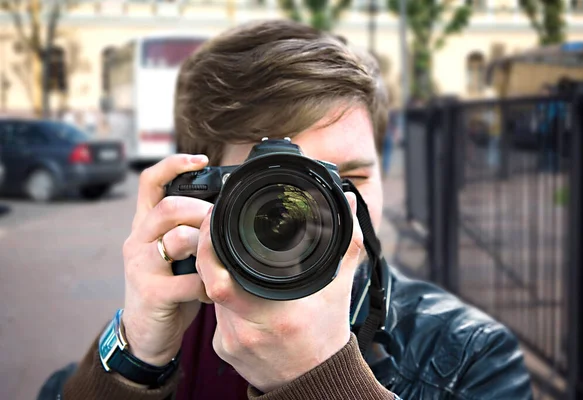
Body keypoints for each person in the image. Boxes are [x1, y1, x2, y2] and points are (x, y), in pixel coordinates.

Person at [41, 20, 533, 399]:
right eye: (277, 187)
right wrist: (136, 356)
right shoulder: (175, 315)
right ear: (198, 195)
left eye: (349, 180)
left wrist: (321, 379)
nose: (325, 211)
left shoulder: (471, 355)